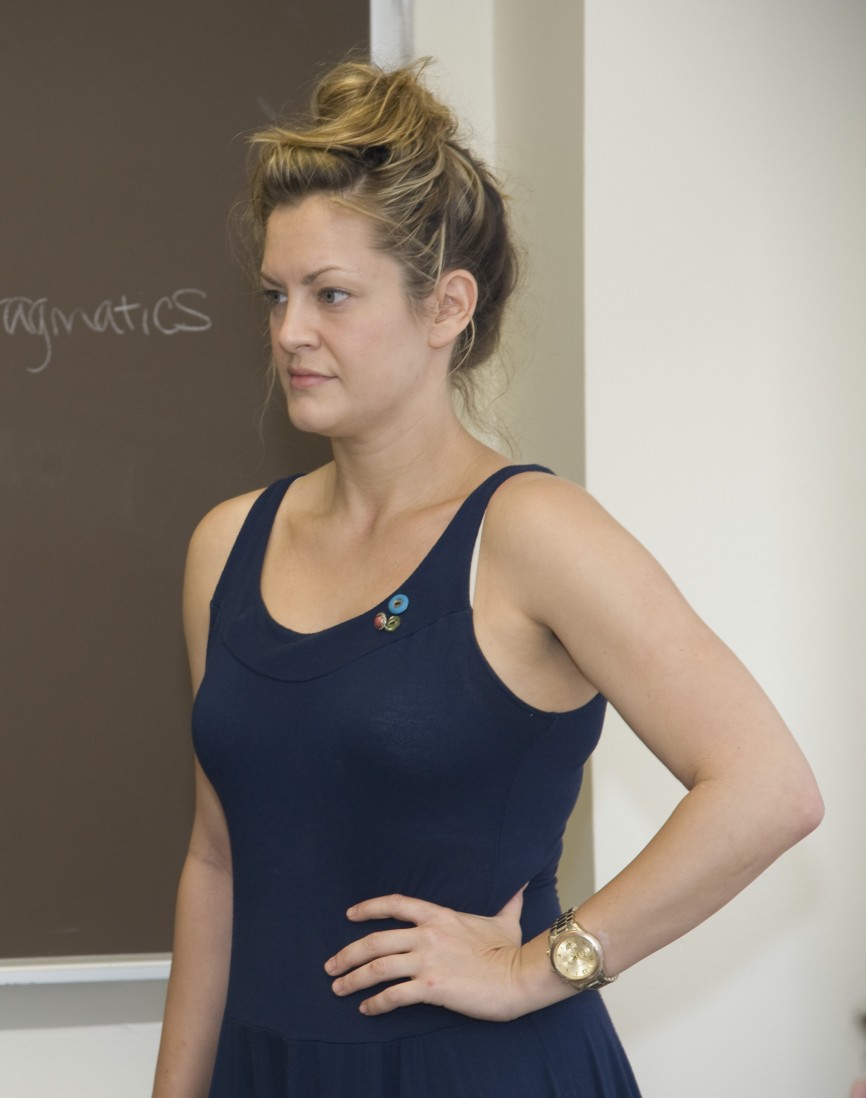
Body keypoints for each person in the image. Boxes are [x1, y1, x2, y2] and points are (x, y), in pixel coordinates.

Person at [150, 59, 823, 1097]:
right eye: (278, 296)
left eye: (332, 295)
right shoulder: (227, 545)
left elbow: (769, 788)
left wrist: (532, 970)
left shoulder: (531, 533)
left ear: (445, 307)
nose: (289, 332)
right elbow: (216, 862)